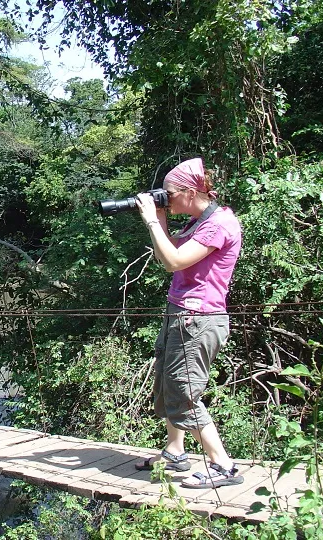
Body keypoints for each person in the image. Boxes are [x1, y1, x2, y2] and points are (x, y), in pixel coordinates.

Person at [133, 157, 244, 489]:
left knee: (183, 390)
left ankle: (222, 465)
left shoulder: (219, 224)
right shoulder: (196, 222)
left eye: (169, 194)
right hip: (179, 314)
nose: (166, 198)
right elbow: (164, 254)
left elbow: (174, 262)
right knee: (168, 382)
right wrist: (162, 220)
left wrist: (152, 219)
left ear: (191, 190)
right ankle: (175, 450)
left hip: (199, 320)